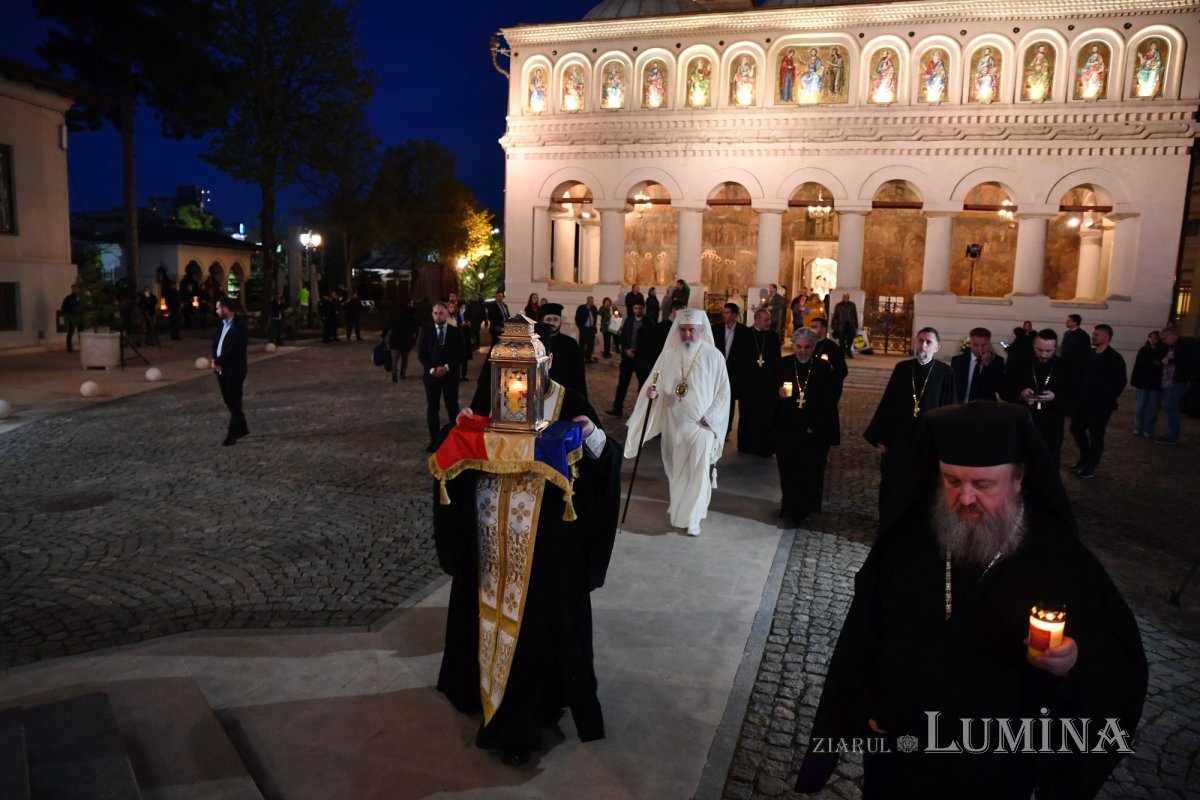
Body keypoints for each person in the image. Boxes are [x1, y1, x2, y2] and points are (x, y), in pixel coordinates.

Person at [795, 402, 1147, 800]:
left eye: (983, 485)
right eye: (951, 481)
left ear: (1018, 479)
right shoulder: (907, 543)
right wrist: (864, 706)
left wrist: (1074, 659)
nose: (965, 499)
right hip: (901, 753)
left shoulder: (1059, 555)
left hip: (994, 761)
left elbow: (1120, 659)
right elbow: (861, 636)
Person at [435, 351, 619, 767]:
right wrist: (459, 425)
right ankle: (483, 696)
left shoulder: (569, 404)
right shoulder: (490, 402)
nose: (516, 381)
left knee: (535, 634)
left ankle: (520, 724)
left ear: (547, 362)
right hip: (490, 551)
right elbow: (452, 452)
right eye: (509, 371)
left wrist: (591, 435)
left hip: (545, 552)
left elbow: (605, 459)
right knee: (485, 624)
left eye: (526, 370)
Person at [624, 307, 731, 536]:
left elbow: (724, 393)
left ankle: (693, 518)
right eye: (683, 330)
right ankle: (679, 509)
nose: (687, 335)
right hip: (674, 424)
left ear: (701, 330)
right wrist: (652, 394)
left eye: (691, 330)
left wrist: (711, 417)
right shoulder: (669, 355)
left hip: (702, 425)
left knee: (698, 470)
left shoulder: (714, 356)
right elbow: (654, 384)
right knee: (677, 469)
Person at [864, 327, 955, 510]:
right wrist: (882, 436)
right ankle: (889, 521)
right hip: (900, 437)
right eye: (920, 340)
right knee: (893, 480)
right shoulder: (902, 369)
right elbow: (888, 403)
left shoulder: (945, 373)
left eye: (929, 342)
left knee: (924, 484)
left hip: (928, 439)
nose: (923, 345)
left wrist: (946, 443)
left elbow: (949, 409)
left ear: (937, 348)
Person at [772, 329, 840, 525]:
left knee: (810, 471)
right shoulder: (783, 364)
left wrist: (815, 426)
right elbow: (770, 393)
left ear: (814, 347)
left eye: (807, 347)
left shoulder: (823, 369)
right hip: (787, 429)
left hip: (813, 431)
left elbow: (829, 402)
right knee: (788, 470)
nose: (802, 351)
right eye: (799, 347)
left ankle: (805, 507)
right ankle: (790, 506)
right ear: (793, 346)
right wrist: (778, 394)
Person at [1004, 328, 1074, 467]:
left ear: (1055, 348)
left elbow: (1072, 398)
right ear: (1034, 345)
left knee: (1049, 461)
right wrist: (1020, 395)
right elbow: (1005, 389)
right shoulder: (1019, 363)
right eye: (1040, 349)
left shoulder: (1064, 367)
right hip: (1023, 421)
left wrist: (1055, 397)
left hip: (1051, 424)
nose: (1043, 354)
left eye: (1049, 351)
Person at [1068, 324, 1127, 478]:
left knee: (1096, 435)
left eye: (1097, 334)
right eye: (1093, 334)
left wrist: (1107, 398)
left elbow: (1120, 382)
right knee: (1075, 429)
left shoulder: (1114, 358)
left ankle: (1090, 466)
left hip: (1100, 405)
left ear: (1107, 337)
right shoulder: (1088, 354)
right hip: (1082, 402)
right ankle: (1085, 457)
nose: (1094, 336)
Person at [418, 302, 466, 452]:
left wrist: (446, 368)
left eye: (441, 313)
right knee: (433, 408)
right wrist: (432, 369)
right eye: (435, 313)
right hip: (431, 377)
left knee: (452, 406)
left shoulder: (455, 332)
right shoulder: (426, 331)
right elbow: (422, 354)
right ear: (432, 314)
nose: (438, 316)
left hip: (450, 376)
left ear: (446, 314)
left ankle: (458, 439)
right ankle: (434, 439)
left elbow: (461, 354)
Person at [736, 307, 782, 456]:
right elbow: (740, 361)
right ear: (757, 320)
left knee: (766, 417)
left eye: (769, 319)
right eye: (766, 320)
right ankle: (746, 446)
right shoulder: (744, 335)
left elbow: (777, 362)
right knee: (748, 416)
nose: (769, 322)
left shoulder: (773, 337)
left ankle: (765, 447)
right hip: (749, 386)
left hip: (767, 385)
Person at [211, 294, 249, 447]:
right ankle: (243, 428)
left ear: (226, 309)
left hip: (234, 369)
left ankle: (232, 434)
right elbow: (216, 343)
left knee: (235, 401)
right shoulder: (222, 324)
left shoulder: (240, 327)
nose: (216, 311)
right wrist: (215, 359)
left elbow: (234, 349)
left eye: (218, 308)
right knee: (229, 401)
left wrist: (219, 361)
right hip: (221, 368)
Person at [712, 302, 750, 436]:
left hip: (734, 373)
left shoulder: (744, 332)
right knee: (715, 399)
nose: (724, 315)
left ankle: (726, 429)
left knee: (730, 401)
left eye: (727, 313)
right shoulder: (716, 329)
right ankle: (714, 425)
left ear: (735, 315)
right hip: (717, 372)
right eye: (723, 312)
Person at [608, 300, 650, 417]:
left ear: (643, 308)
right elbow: (623, 337)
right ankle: (617, 408)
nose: (638, 310)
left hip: (641, 359)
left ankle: (641, 412)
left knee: (642, 386)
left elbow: (649, 342)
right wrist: (626, 350)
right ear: (633, 309)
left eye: (640, 308)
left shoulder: (649, 323)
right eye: (636, 308)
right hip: (627, 357)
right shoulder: (629, 321)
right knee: (622, 384)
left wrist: (637, 351)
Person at [1157, 323, 1197, 445]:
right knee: (1170, 407)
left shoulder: (1183, 345)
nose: (1164, 341)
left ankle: (1172, 435)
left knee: (1172, 408)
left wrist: (1169, 360)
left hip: (1176, 381)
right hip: (1170, 381)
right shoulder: (1173, 347)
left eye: (1165, 338)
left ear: (1173, 335)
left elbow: (1185, 361)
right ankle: (1172, 434)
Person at [538, 303, 587, 399]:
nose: (552, 323)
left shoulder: (571, 344)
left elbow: (579, 375)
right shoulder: (536, 343)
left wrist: (580, 399)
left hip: (564, 393)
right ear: (543, 320)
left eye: (555, 319)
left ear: (560, 321)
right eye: (548, 319)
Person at [951, 327, 1006, 403]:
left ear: (989, 344)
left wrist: (988, 365)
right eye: (976, 345)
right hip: (961, 406)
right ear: (970, 343)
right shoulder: (958, 361)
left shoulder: (997, 361)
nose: (980, 349)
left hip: (985, 408)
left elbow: (998, 388)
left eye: (983, 345)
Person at [1130, 329, 1165, 438]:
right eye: (1151, 337)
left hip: (1155, 383)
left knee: (1152, 407)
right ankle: (1137, 427)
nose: (1153, 340)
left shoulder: (1161, 351)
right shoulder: (1144, 350)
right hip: (1144, 382)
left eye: (1155, 338)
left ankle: (1148, 429)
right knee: (1141, 406)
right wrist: (1135, 380)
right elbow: (1138, 366)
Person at [809, 316, 848, 397]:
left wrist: (828, 365)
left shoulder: (833, 348)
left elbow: (842, 371)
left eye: (815, 327)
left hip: (824, 389)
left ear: (823, 329)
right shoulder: (806, 345)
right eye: (810, 327)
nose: (811, 329)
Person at [381, 301, 419, 382]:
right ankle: (402, 374)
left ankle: (394, 373)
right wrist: (415, 339)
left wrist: (383, 335)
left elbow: (387, 326)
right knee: (405, 359)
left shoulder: (394, 315)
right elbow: (416, 328)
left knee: (395, 359)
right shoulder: (411, 316)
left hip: (395, 339)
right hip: (407, 340)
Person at [1060, 313, 1090, 392]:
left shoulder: (1083, 335)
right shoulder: (1067, 333)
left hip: (1076, 368)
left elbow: (1085, 352)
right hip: (1065, 365)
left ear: (1075, 323)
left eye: (1069, 320)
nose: (1066, 322)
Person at [831, 293, 858, 359]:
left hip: (850, 324)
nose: (846, 298)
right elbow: (835, 316)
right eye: (844, 297)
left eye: (847, 297)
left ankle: (848, 349)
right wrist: (833, 325)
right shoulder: (838, 305)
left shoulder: (852, 305)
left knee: (850, 339)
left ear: (849, 298)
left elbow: (855, 315)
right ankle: (842, 352)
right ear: (842, 298)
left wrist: (856, 325)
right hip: (841, 324)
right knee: (841, 339)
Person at [574, 296, 599, 362]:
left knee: (590, 345)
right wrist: (580, 327)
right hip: (584, 329)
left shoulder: (594, 308)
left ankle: (588, 358)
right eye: (591, 301)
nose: (592, 302)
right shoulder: (581, 308)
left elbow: (595, 318)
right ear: (587, 301)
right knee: (582, 344)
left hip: (591, 329)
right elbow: (577, 318)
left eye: (593, 301)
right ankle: (581, 358)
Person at [61, 284, 82, 353]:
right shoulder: (68, 298)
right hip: (71, 317)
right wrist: (66, 318)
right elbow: (64, 308)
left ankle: (83, 347)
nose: (75, 290)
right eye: (73, 289)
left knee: (81, 333)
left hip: (79, 317)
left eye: (76, 288)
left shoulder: (81, 297)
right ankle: (69, 348)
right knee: (70, 332)